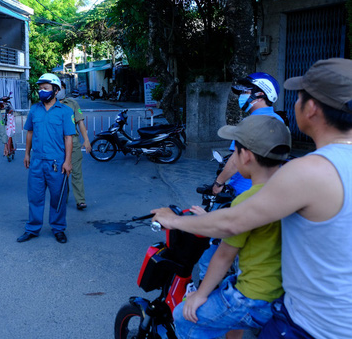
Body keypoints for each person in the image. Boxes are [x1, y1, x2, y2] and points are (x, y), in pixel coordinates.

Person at [151, 58, 352, 338]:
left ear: (312, 108)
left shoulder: (310, 170)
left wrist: (174, 219)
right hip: (334, 318)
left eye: (299, 96)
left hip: (309, 325)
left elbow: (233, 224)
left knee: (185, 319)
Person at [173, 115, 291, 338]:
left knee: (184, 316)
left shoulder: (248, 198)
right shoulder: (291, 190)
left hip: (253, 295)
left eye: (234, 152)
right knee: (228, 293)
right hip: (282, 293)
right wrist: (208, 218)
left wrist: (199, 295)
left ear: (245, 156)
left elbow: (224, 255)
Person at [197, 73, 283, 282]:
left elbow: (236, 161)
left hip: (243, 196)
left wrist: (218, 184)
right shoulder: (278, 120)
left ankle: (204, 300)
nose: (241, 97)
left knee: (211, 257)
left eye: (245, 92)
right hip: (267, 196)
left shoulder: (252, 123)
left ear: (260, 94)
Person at [17, 73, 76, 244]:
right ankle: (32, 229)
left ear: (56, 90)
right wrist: (27, 154)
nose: (42, 91)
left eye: (46, 88)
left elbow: (68, 138)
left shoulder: (65, 111)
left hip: (56, 163)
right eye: (40, 88)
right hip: (37, 161)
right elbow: (30, 132)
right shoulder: (35, 109)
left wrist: (68, 161)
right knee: (35, 196)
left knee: (58, 197)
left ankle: (58, 228)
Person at [58, 81, 91, 210]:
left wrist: (86, 140)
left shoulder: (73, 104)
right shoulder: (50, 105)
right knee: (61, 173)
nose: (60, 91)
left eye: (62, 88)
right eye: (58, 88)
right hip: (58, 145)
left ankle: (80, 200)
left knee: (76, 173)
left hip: (74, 143)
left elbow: (80, 122)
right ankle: (62, 198)